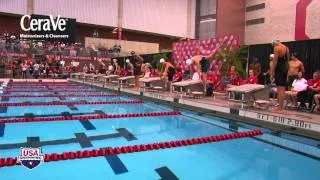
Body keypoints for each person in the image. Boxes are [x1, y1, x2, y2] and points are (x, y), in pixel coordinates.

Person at [270, 40, 290, 113]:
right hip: (285, 69)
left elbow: (275, 62)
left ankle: (280, 109)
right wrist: (287, 73)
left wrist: (272, 73)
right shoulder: (286, 48)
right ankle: (281, 108)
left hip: (279, 70)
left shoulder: (277, 48)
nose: (274, 47)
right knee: (283, 89)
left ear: (274, 44)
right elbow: (287, 61)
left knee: (280, 90)